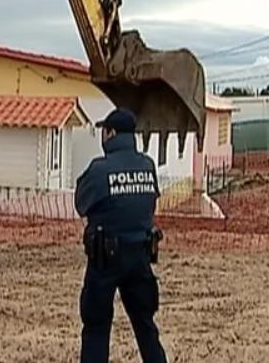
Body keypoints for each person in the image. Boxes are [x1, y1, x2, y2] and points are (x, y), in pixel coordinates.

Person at [74, 107, 167, 363]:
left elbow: (81, 203)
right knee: (145, 326)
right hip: (140, 256)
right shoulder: (147, 166)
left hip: (105, 259)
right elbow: (150, 205)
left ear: (111, 133)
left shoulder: (99, 169)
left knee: (96, 327)